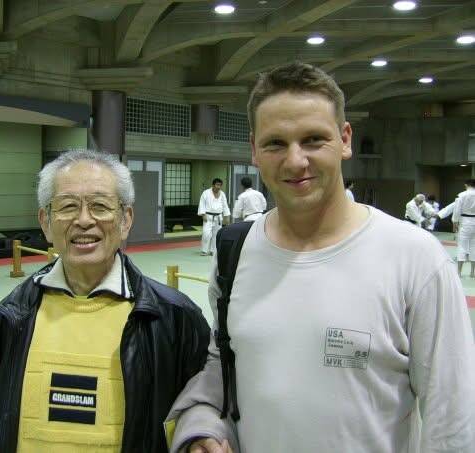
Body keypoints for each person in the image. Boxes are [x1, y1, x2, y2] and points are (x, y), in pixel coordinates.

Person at [166, 62, 475, 453]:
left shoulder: (415, 258)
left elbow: (452, 419)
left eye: (313, 139)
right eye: (275, 143)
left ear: (345, 139)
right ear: (254, 151)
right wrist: (202, 427)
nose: (295, 161)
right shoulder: (235, 252)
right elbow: (222, 364)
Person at [0, 149, 210, 452]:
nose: (84, 220)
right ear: (46, 222)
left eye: (100, 206)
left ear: (126, 219)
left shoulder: (174, 318)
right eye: (67, 206)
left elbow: (202, 408)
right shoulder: (10, 317)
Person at [198, 178, 231, 255]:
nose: (218, 187)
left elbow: (225, 205)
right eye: (217, 185)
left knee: (216, 234)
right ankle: (204, 250)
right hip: (208, 216)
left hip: (218, 217)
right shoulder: (206, 193)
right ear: (213, 185)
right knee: (206, 233)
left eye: (220, 185)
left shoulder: (222, 194)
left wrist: (226, 217)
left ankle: (213, 250)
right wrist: (203, 214)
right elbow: (202, 203)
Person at [452, 179, 475, 277]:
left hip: (465, 222)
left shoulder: (461, 195)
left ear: (466, 185)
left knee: (462, 246)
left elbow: (457, 210)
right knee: (474, 246)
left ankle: (459, 272)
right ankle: (472, 272)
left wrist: (455, 223)